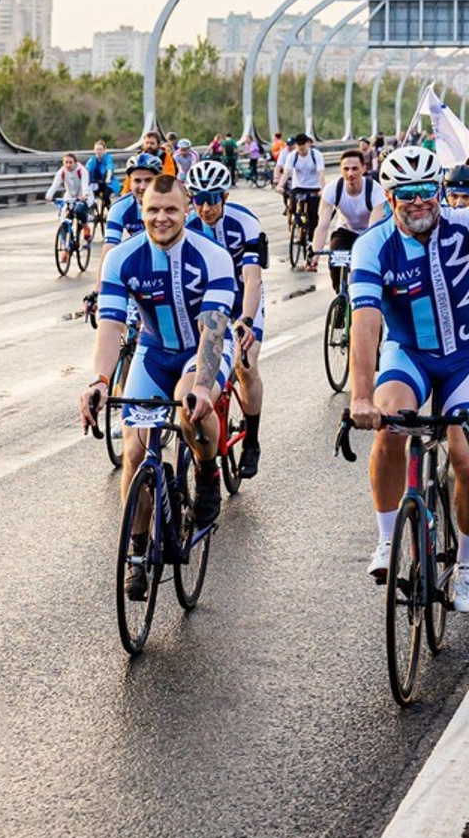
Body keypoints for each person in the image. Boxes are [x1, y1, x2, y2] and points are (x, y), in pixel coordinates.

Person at [346, 130, 469, 614]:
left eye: (425, 191)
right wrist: (360, 398)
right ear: (389, 198)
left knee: (467, 459)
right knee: (389, 430)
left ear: (439, 190)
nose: (418, 202)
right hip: (407, 353)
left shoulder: (462, 223)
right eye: (405, 195)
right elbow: (365, 323)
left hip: (464, 356)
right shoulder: (373, 247)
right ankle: (388, 539)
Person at [80, 175, 238, 589]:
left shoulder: (212, 256)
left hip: (203, 348)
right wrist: (99, 381)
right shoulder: (122, 258)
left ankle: (206, 472)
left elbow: (214, 328)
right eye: (152, 210)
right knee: (133, 450)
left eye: (171, 209)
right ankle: (135, 551)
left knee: (189, 405)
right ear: (141, 211)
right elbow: (111, 326)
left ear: (186, 210)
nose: (161, 218)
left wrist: (203, 387)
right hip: (154, 352)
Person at [184, 160, 267, 478]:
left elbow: (252, 278)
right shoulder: (187, 226)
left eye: (212, 199)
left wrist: (246, 318)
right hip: (207, 299)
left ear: (225, 197)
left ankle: (252, 442)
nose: (205, 207)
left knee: (245, 364)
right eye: (198, 199)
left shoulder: (245, 223)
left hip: (242, 297)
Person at [311, 147, 386, 284]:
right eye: (346, 169)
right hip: (345, 231)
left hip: (368, 233)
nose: (350, 173)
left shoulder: (376, 191)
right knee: (335, 264)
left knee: (370, 269)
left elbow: (373, 230)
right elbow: (322, 226)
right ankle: (341, 297)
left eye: (355, 169)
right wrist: (315, 254)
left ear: (363, 169)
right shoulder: (332, 190)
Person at [103, 151, 162, 249]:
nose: (142, 187)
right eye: (137, 181)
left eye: (148, 180)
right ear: (130, 183)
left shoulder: (172, 204)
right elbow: (109, 247)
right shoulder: (119, 207)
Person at [277, 132, 326, 250]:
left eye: (303, 145)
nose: (301, 147)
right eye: (298, 145)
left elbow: (321, 173)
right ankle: (295, 225)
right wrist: (280, 185)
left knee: (314, 214)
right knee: (293, 206)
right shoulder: (292, 156)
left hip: (313, 186)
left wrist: (322, 189)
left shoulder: (316, 155)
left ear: (308, 144)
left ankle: (311, 238)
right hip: (298, 186)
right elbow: (286, 172)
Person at [45, 152, 93, 248]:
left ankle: (85, 226)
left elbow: (84, 184)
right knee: (64, 220)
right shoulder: (62, 171)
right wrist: (49, 195)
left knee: (79, 210)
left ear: (75, 162)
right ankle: (65, 247)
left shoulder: (82, 170)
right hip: (69, 196)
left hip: (83, 196)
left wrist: (84, 195)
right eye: (66, 162)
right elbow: (55, 185)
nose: (68, 165)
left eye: (70, 162)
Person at [86, 139, 118, 214]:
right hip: (95, 183)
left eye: (100, 149)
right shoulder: (92, 160)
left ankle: (111, 212)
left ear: (104, 150)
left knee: (106, 196)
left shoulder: (107, 158)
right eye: (97, 149)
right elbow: (87, 170)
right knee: (89, 195)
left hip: (108, 183)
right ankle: (92, 211)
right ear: (94, 150)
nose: (98, 151)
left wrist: (108, 178)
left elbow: (109, 168)